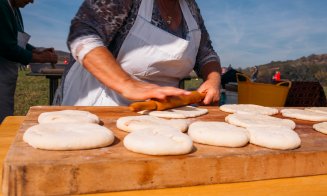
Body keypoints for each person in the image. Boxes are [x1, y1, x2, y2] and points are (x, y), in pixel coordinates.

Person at [57, 0, 221, 107]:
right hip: (101, 105)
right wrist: (128, 84)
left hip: (162, 112)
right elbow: (82, 36)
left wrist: (213, 80)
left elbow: (206, 53)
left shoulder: (190, 8)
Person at [0, 0, 58, 123]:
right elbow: (6, 47)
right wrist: (41, 58)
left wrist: (38, 50)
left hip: (7, 75)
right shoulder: (2, 6)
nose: (31, 1)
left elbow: (17, 42)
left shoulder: (15, 10)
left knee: (5, 115)